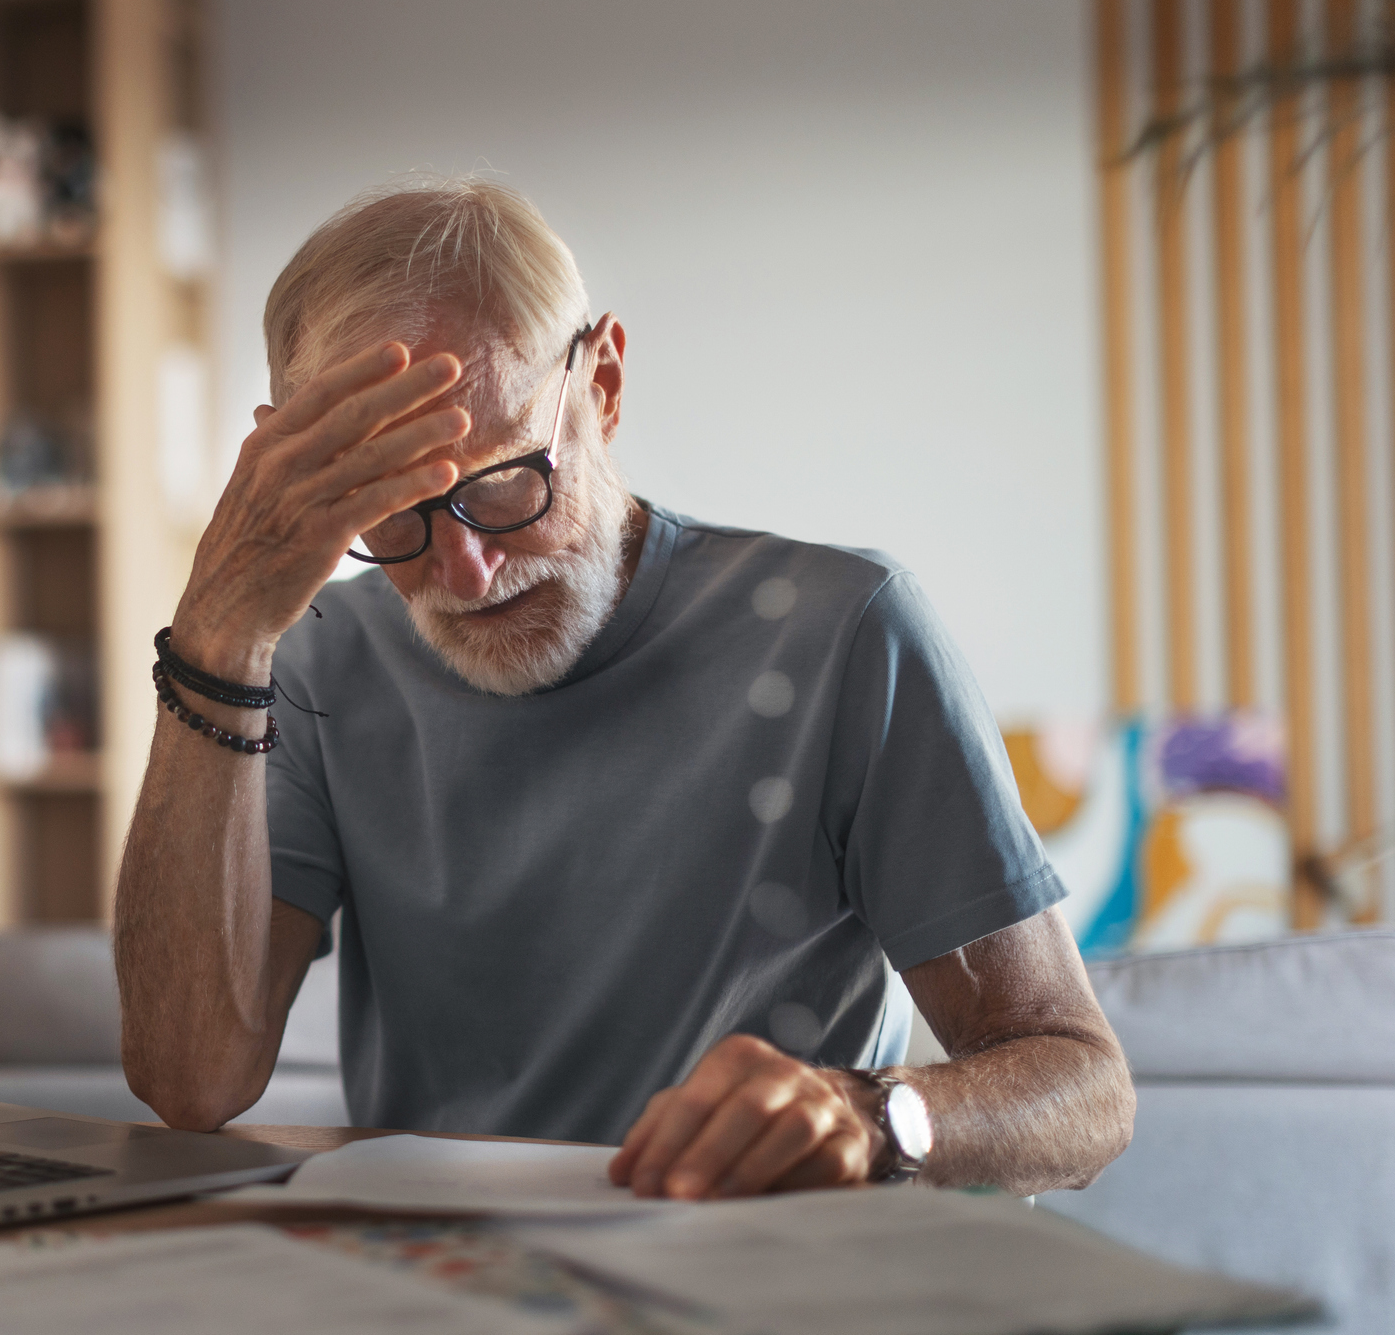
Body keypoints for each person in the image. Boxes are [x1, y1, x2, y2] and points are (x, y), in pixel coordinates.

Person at [114, 178, 1134, 1199]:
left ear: (601, 382)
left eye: (507, 479)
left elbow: (1084, 1089)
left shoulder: (847, 631)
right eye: (392, 514)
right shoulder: (312, 663)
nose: (466, 573)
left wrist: (879, 1114)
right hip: (453, 1286)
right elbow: (190, 1081)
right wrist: (219, 630)